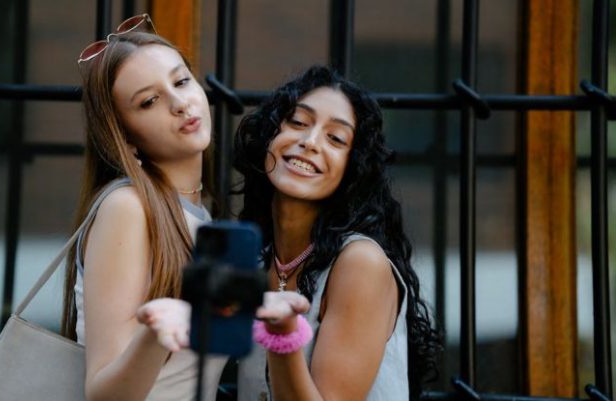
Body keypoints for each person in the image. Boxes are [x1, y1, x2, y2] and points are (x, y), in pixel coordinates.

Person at [234, 66, 440, 401]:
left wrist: (284, 336)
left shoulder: (360, 263)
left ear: (353, 168)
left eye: (336, 138)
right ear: (268, 135)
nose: (309, 142)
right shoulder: (258, 258)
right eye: (297, 122)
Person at [60, 14, 227, 401]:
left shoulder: (200, 211)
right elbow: (104, 393)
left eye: (182, 80)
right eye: (149, 101)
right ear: (126, 137)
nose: (180, 103)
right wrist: (157, 333)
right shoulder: (129, 208)